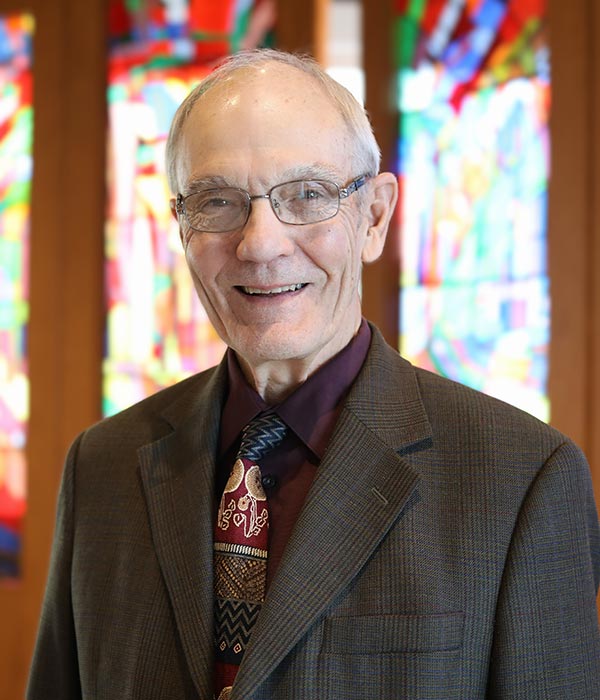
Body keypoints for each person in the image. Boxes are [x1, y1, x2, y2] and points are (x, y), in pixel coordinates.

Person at [28, 49, 600, 700]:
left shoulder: (520, 480)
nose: (260, 243)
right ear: (181, 225)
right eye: (218, 201)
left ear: (375, 217)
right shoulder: (100, 468)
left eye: (307, 195)